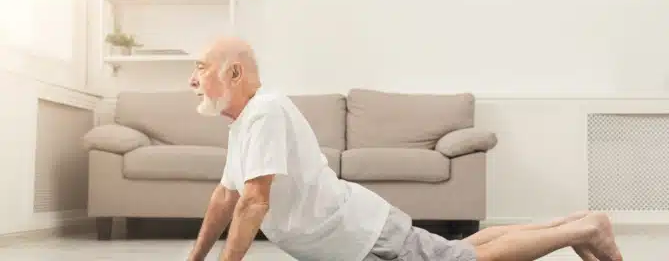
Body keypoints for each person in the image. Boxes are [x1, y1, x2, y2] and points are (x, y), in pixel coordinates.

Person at [185, 36, 623, 261]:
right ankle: (576, 222)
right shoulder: (246, 122)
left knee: (469, 260)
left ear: (235, 72)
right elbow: (226, 197)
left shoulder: (264, 113)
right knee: (461, 249)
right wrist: (195, 258)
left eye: (201, 69)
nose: (193, 79)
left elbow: (253, 203)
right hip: (358, 235)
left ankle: (585, 230)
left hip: (363, 237)